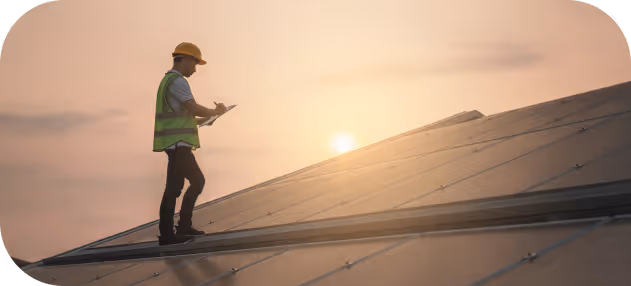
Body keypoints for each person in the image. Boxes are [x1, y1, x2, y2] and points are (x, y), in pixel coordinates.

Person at [152, 42, 227, 245]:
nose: (195, 69)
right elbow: (192, 107)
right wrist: (214, 112)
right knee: (192, 183)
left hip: (174, 143)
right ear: (184, 60)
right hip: (178, 145)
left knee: (177, 186)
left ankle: (176, 230)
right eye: (194, 64)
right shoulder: (177, 82)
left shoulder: (167, 81)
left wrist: (206, 119)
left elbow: (181, 116)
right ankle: (173, 232)